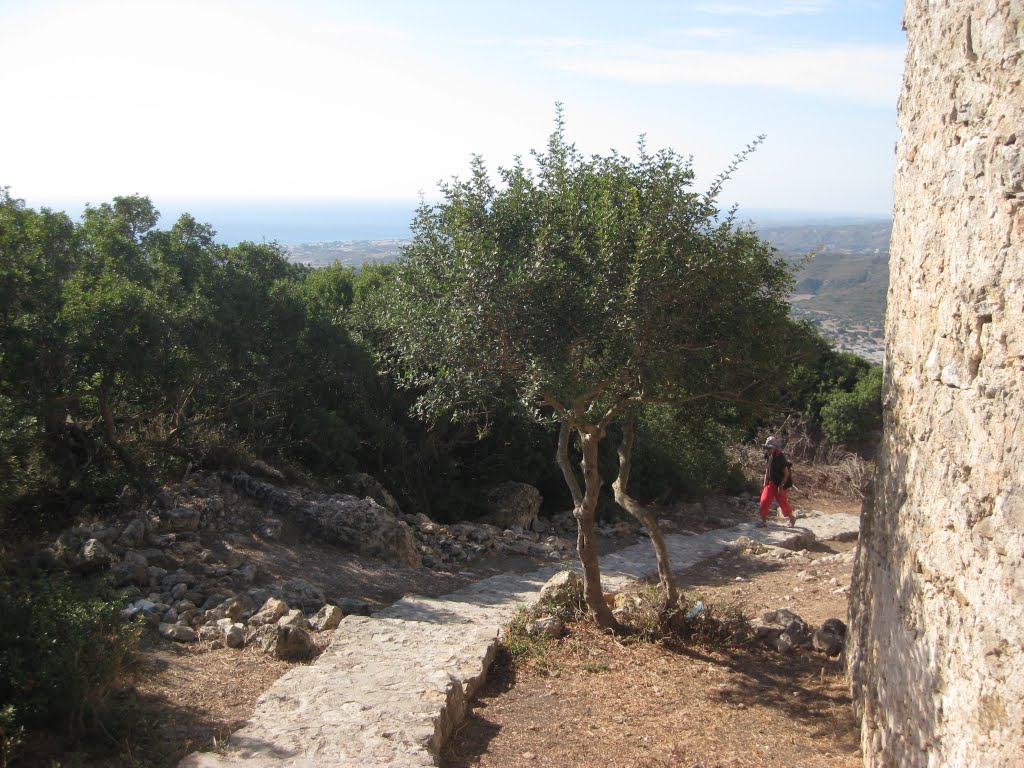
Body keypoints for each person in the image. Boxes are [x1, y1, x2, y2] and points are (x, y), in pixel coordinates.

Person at [758, 435, 795, 527]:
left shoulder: (780, 457)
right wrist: (765, 481)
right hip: (770, 482)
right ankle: (763, 521)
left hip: (780, 483)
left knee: (782, 502)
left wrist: (781, 486)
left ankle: (791, 518)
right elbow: (768, 468)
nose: (768, 449)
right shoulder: (767, 455)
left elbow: (786, 473)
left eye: (770, 447)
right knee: (764, 500)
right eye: (767, 447)